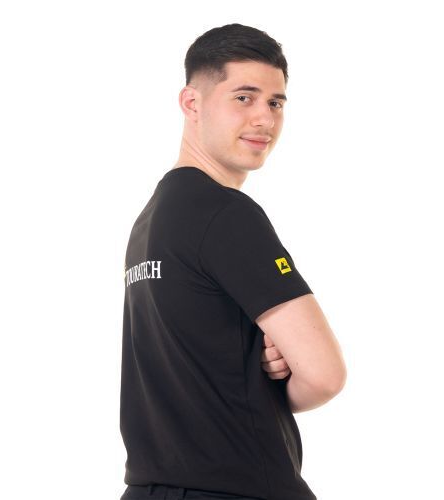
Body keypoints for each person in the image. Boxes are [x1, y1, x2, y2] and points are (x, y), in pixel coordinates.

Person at [119, 23, 347, 500]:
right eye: (244, 97)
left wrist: (252, 365)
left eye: (276, 102)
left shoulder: (151, 220)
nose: (265, 118)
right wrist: (273, 381)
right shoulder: (225, 213)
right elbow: (325, 375)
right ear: (192, 103)